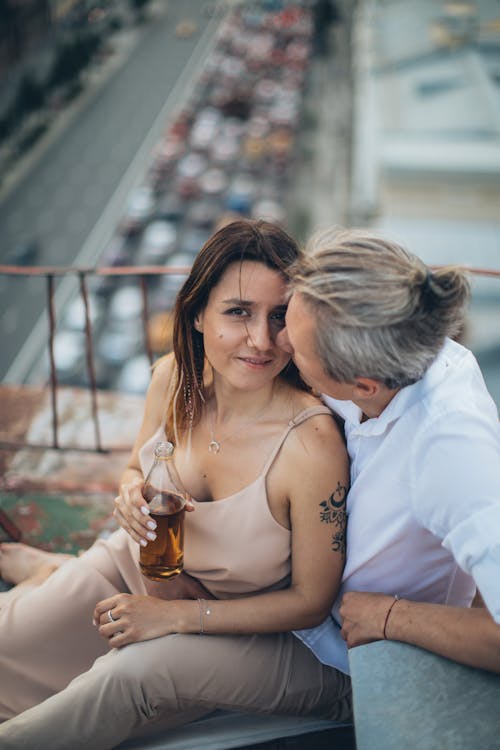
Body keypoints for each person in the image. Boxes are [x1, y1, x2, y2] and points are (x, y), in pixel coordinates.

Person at [0, 219, 352, 748]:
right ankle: (57, 573)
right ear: (195, 315)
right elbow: (138, 470)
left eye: (278, 317)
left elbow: (310, 602)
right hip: (142, 568)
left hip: (263, 629)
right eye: (238, 312)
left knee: (117, 683)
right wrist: (128, 492)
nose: (261, 340)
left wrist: (175, 617)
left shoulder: (311, 444)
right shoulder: (172, 379)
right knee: (13, 639)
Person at [277, 226, 500, 674]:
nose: (280, 341)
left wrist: (392, 617)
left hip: (347, 657)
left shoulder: (452, 450)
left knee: (137, 683)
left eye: (297, 347)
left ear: (362, 385)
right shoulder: (387, 357)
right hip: (291, 604)